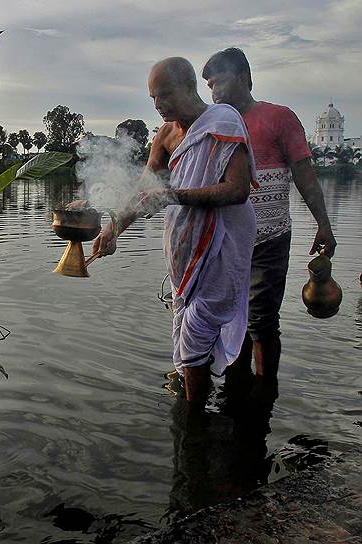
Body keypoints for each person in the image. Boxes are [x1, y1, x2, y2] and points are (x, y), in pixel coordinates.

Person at [92, 57, 257, 408]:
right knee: (186, 335)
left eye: (164, 95)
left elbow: (237, 190)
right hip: (184, 251)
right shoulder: (165, 136)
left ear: (187, 87)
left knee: (196, 333)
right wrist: (112, 229)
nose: (158, 105)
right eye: (152, 97)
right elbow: (142, 191)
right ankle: (198, 406)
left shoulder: (223, 122)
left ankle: (193, 418)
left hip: (222, 247)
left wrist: (172, 196)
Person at [202, 47, 337, 400]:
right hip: (224, 240)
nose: (213, 91)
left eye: (219, 81)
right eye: (208, 85)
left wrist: (323, 224)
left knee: (261, 321)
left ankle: (264, 394)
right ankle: (236, 386)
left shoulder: (278, 117)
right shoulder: (212, 124)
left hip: (269, 237)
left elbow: (305, 175)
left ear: (244, 77)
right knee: (229, 317)